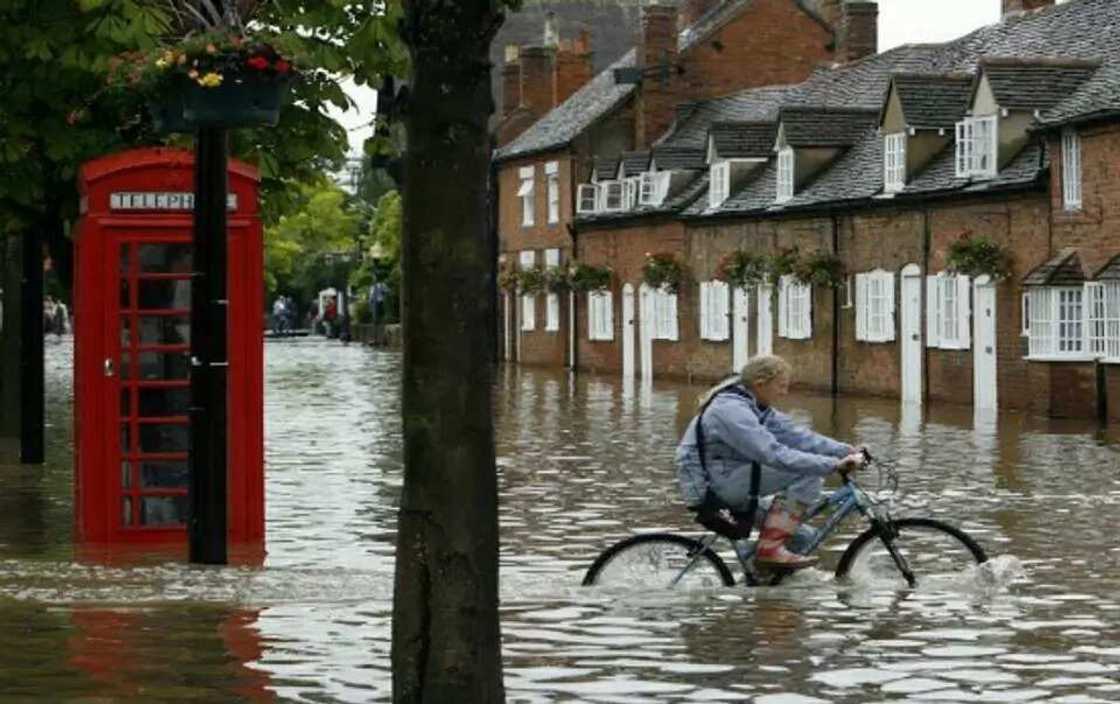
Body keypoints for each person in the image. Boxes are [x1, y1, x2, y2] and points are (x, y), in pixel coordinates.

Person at [676, 355, 865, 570]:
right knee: (807, 472)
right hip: (712, 488)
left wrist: (846, 450)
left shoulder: (755, 405)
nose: (784, 393)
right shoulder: (730, 411)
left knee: (803, 538)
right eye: (781, 386)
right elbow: (772, 454)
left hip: (729, 478)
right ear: (760, 383)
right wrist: (833, 465)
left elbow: (797, 435)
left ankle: (759, 587)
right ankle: (769, 549)